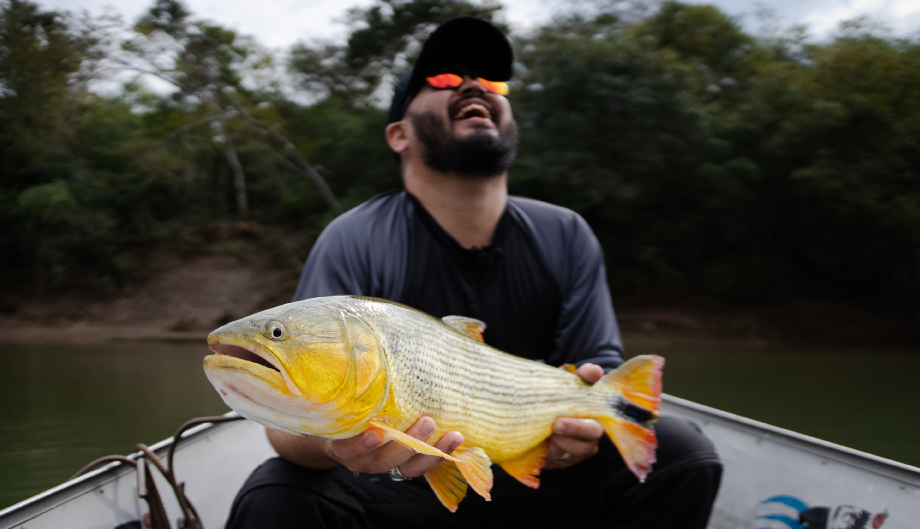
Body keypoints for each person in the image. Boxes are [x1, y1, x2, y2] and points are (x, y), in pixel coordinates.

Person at [225, 17, 722, 529]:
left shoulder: (566, 232)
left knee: (684, 455)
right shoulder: (354, 237)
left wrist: (581, 434)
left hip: (537, 473)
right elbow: (286, 434)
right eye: (441, 80)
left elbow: (598, 373)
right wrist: (338, 445)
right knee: (276, 494)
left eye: (492, 84)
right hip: (395, 486)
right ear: (398, 134)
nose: (472, 86)